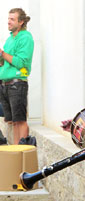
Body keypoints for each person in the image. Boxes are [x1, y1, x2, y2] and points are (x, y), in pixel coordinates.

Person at [0, 8, 34, 144]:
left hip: (17, 84)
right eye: (8, 18)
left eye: (12, 19)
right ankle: (16, 151)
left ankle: (23, 152)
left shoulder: (26, 37)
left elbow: (21, 62)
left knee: (20, 121)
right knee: (13, 122)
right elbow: (5, 62)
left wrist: (2, 54)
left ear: (21, 22)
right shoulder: (9, 39)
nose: (8, 22)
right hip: (5, 84)